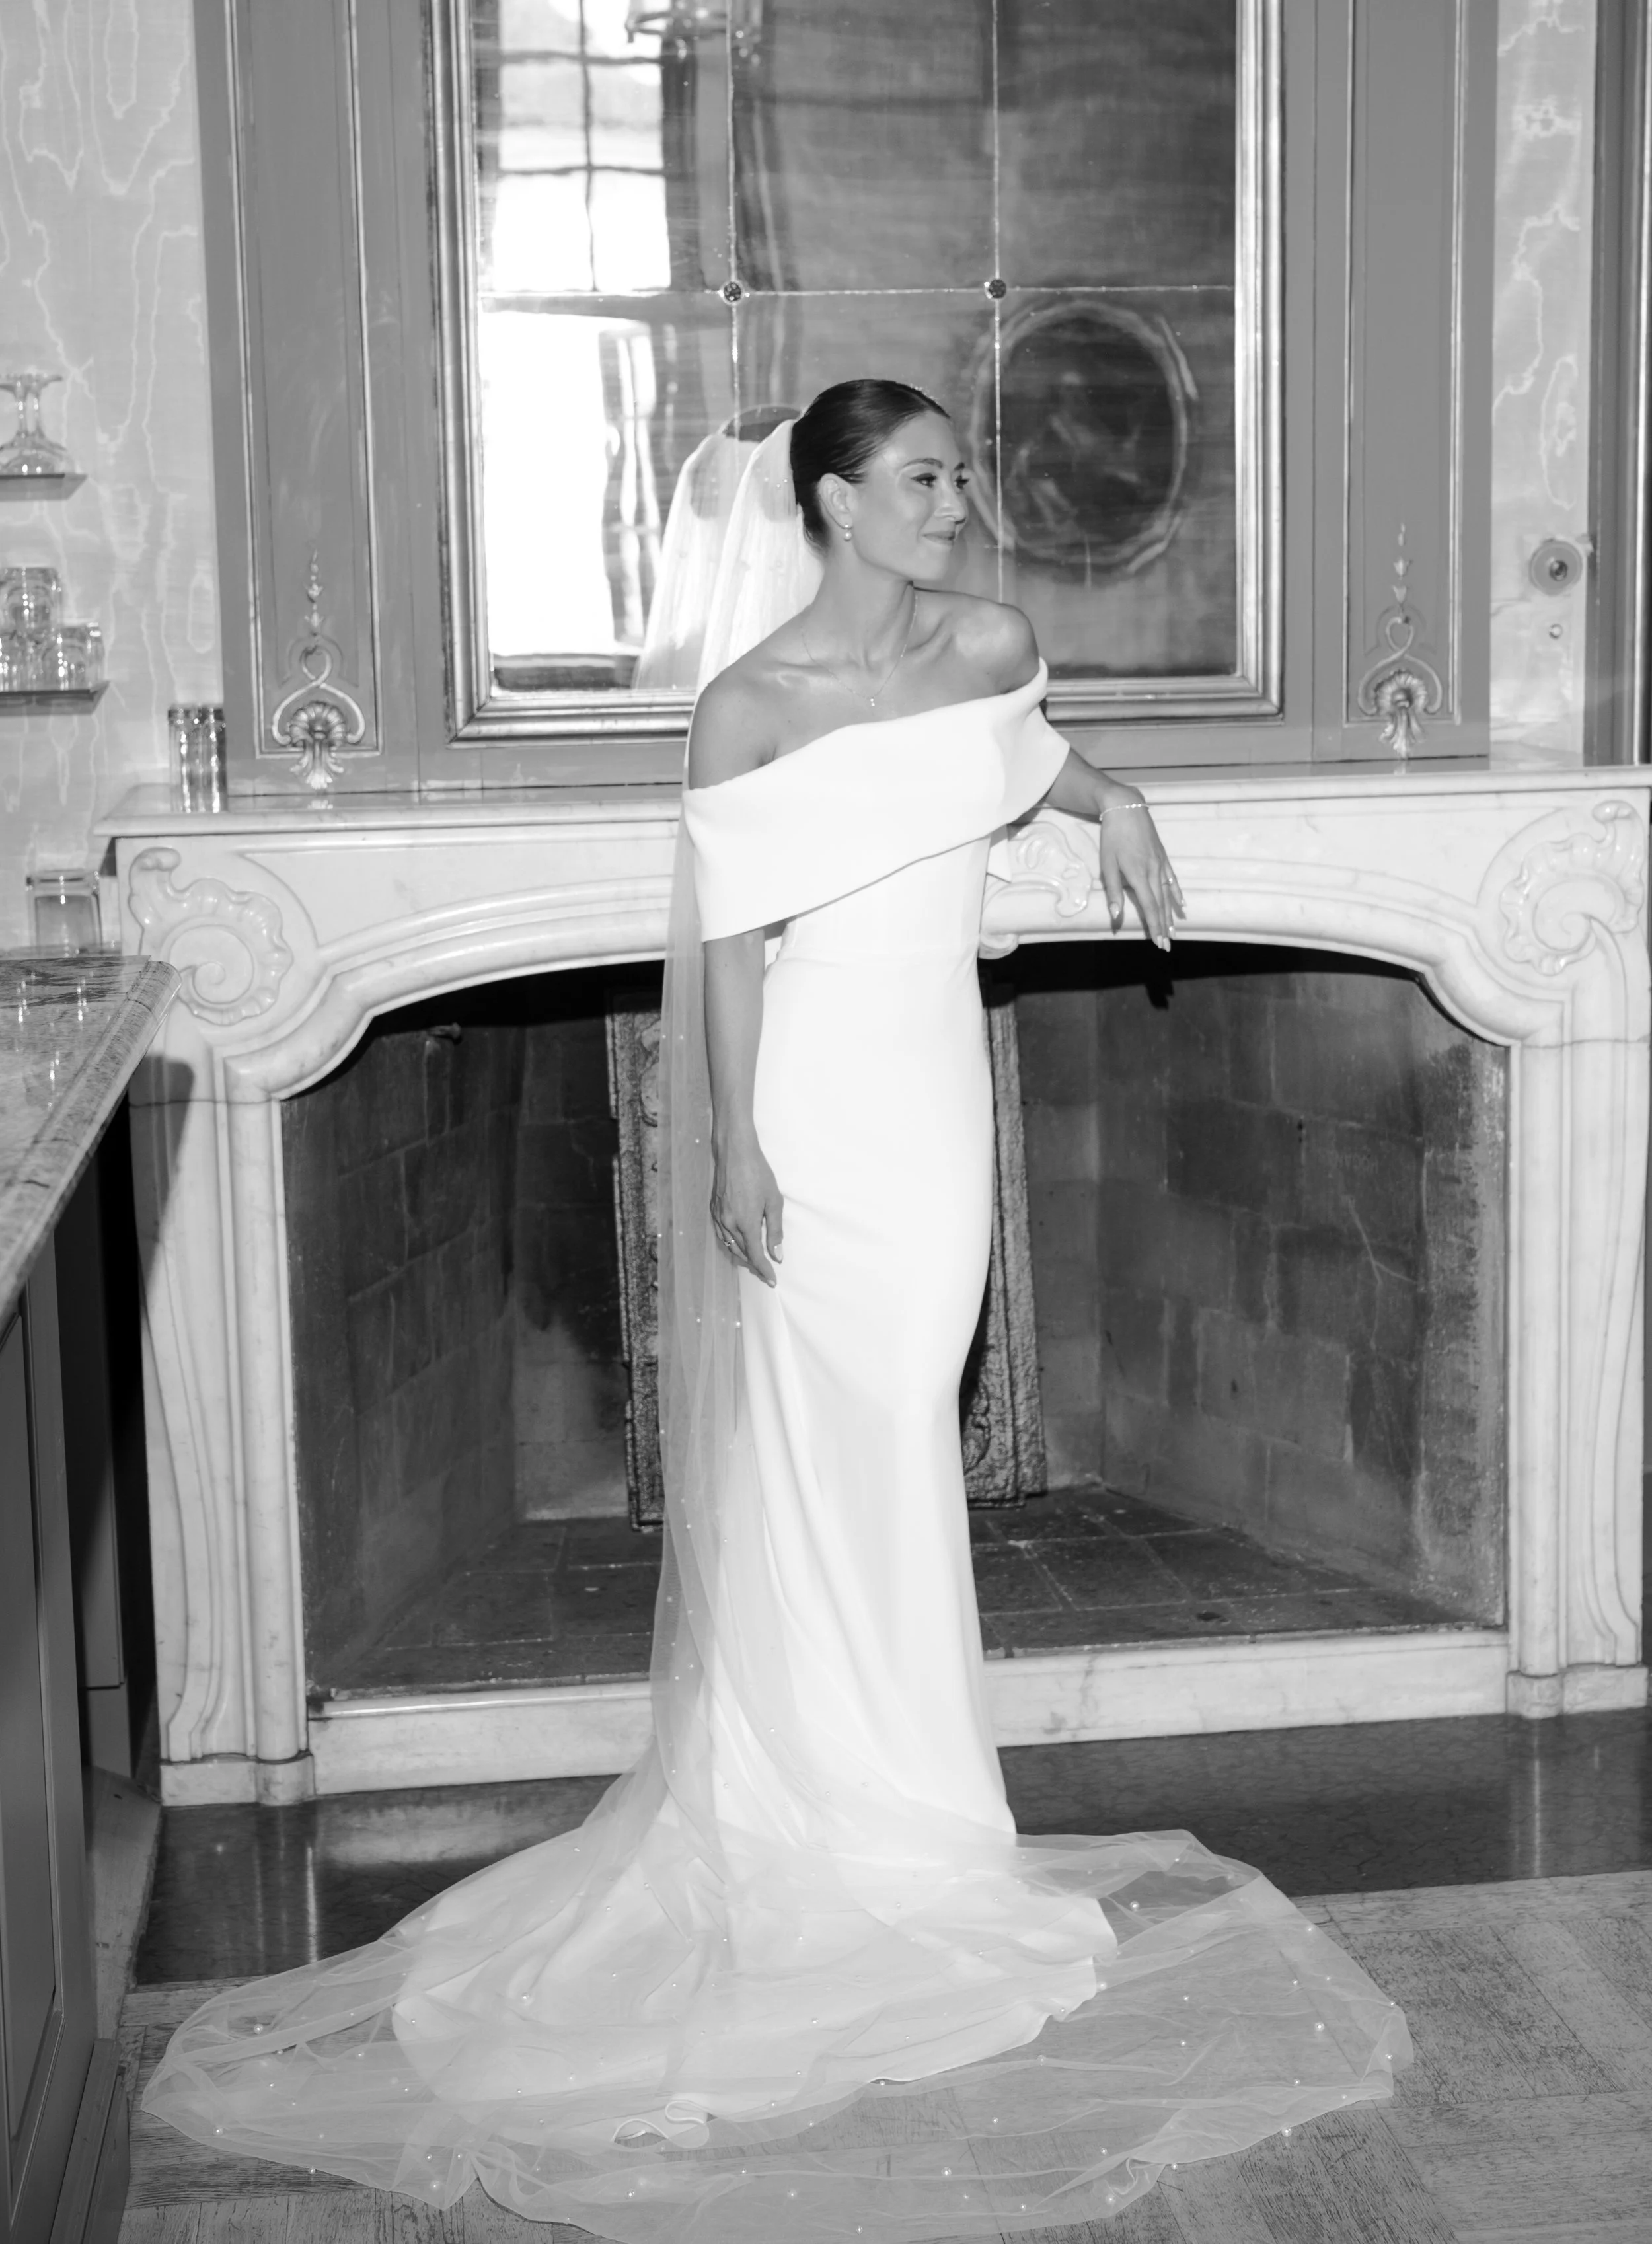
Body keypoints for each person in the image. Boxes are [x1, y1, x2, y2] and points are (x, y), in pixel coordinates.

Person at [144, 383, 1408, 2241]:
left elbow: (1013, 750)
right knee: (829, 1442)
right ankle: (805, 1808)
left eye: (954, 473)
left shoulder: (989, 641)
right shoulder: (749, 704)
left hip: (930, 1092)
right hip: (812, 1087)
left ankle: (912, 1808)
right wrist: (728, 1140)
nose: (954, 502)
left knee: (899, 1426)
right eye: (919, 479)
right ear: (828, 500)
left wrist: (1115, 788)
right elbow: (725, 940)